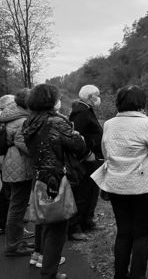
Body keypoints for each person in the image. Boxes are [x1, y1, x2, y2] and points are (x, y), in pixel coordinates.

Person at [90, 85, 148, 279]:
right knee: (142, 235)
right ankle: (138, 275)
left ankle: (120, 274)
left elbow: (106, 153)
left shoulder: (109, 124)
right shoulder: (147, 124)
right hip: (144, 187)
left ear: (119, 102)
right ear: (141, 103)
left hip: (117, 185)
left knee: (124, 232)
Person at [23, 84, 88, 279]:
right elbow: (79, 146)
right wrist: (76, 133)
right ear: (50, 101)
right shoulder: (55, 122)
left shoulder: (29, 122)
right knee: (58, 228)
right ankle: (49, 272)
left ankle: (47, 267)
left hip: (39, 176)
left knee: (47, 223)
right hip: (57, 179)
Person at [0, 89, 35, 256]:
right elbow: (24, 144)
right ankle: (13, 245)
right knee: (17, 206)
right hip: (19, 163)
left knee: (17, 205)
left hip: (13, 162)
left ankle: (17, 241)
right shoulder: (21, 120)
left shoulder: (13, 116)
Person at [68, 85, 104, 241]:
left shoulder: (86, 109)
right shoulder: (81, 113)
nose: (99, 98)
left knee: (91, 192)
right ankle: (75, 227)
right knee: (82, 193)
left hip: (93, 158)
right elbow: (76, 137)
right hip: (85, 159)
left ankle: (87, 221)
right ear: (90, 97)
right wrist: (87, 152)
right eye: (97, 95)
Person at [0, 94, 15, 235]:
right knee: (7, 194)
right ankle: (5, 224)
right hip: (4, 158)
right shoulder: (5, 120)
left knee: (6, 192)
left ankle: (3, 223)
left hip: (5, 158)